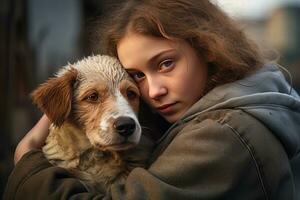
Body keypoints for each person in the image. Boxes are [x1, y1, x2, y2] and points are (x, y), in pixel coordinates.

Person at [4, 0, 300, 199]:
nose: (153, 91)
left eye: (166, 63)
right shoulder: (225, 106)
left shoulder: (226, 133)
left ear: (208, 49)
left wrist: (28, 164)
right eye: (138, 76)